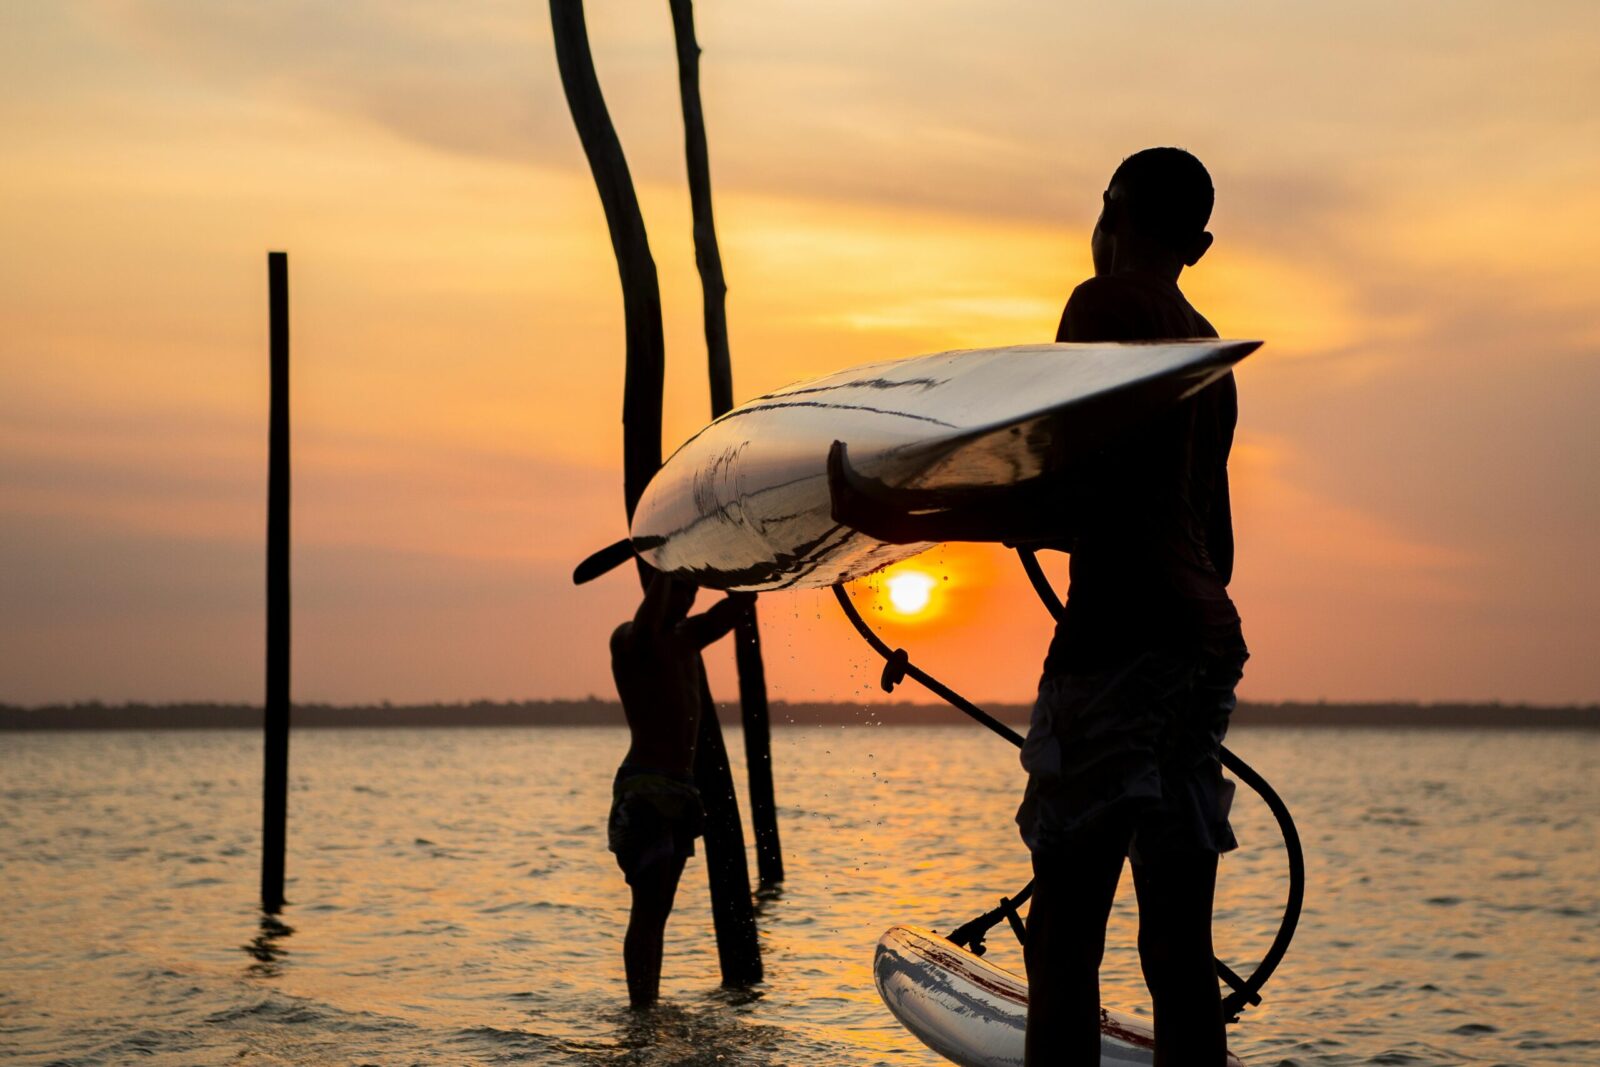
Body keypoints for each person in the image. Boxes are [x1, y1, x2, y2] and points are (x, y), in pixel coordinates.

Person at [828, 147, 1244, 1065]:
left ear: (1113, 215)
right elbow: (1202, 537)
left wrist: (896, 514)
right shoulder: (1211, 349)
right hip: (1200, 649)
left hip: (1116, 647)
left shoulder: (1103, 304)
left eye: (1104, 209)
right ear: (1199, 245)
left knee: (1066, 935)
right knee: (1178, 947)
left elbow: (1071, 502)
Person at [607, 571, 753, 1009]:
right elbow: (648, 621)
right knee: (647, 910)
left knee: (660, 913)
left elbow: (737, 606)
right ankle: (641, 1010)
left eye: (691, 592)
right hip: (645, 792)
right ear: (655, 588)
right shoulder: (633, 640)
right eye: (677, 590)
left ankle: (648, 1007)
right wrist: (665, 564)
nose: (686, 600)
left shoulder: (690, 638)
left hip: (682, 794)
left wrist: (743, 560)